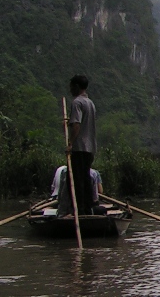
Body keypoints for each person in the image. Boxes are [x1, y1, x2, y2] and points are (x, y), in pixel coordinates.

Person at [59, 75, 97, 216]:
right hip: (90, 148)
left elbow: (76, 125)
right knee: (85, 179)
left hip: (80, 147)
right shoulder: (90, 103)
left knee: (75, 179)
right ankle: (87, 209)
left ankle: (77, 211)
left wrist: (70, 144)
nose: (70, 89)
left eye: (71, 86)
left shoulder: (77, 103)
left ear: (76, 86)